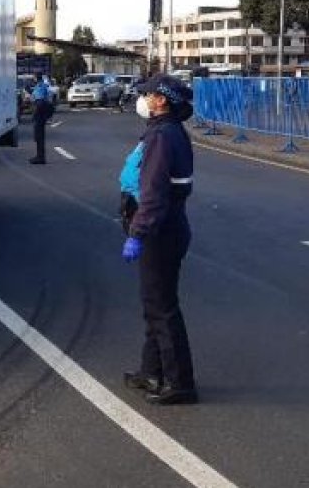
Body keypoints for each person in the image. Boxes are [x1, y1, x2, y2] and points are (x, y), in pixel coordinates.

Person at [120, 74, 198, 405]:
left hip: (160, 232)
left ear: (162, 100)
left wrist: (138, 233)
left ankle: (180, 383)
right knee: (154, 307)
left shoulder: (163, 136)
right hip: (166, 228)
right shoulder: (165, 131)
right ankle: (151, 371)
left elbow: (154, 192)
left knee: (163, 310)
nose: (144, 99)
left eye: (148, 94)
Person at [29, 72, 54, 164]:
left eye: (34, 77)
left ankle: (40, 157)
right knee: (39, 136)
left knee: (39, 136)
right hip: (42, 114)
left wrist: (35, 114)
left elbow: (39, 102)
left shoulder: (40, 86)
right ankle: (39, 156)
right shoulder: (42, 86)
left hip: (39, 114)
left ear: (36, 78)